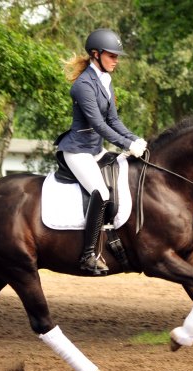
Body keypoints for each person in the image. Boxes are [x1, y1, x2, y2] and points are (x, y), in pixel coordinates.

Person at [54, 29, 147, 275]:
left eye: (118, 56)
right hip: (77, 151)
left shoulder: (105, 79)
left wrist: (134, 137)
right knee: (102, 192)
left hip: (95, 149)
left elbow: (113, 120)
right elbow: (99, 125)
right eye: (112, 55)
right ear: (96, 54)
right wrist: (127, 146)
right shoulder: (84, 85)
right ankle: (88, 255)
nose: (116, 60)